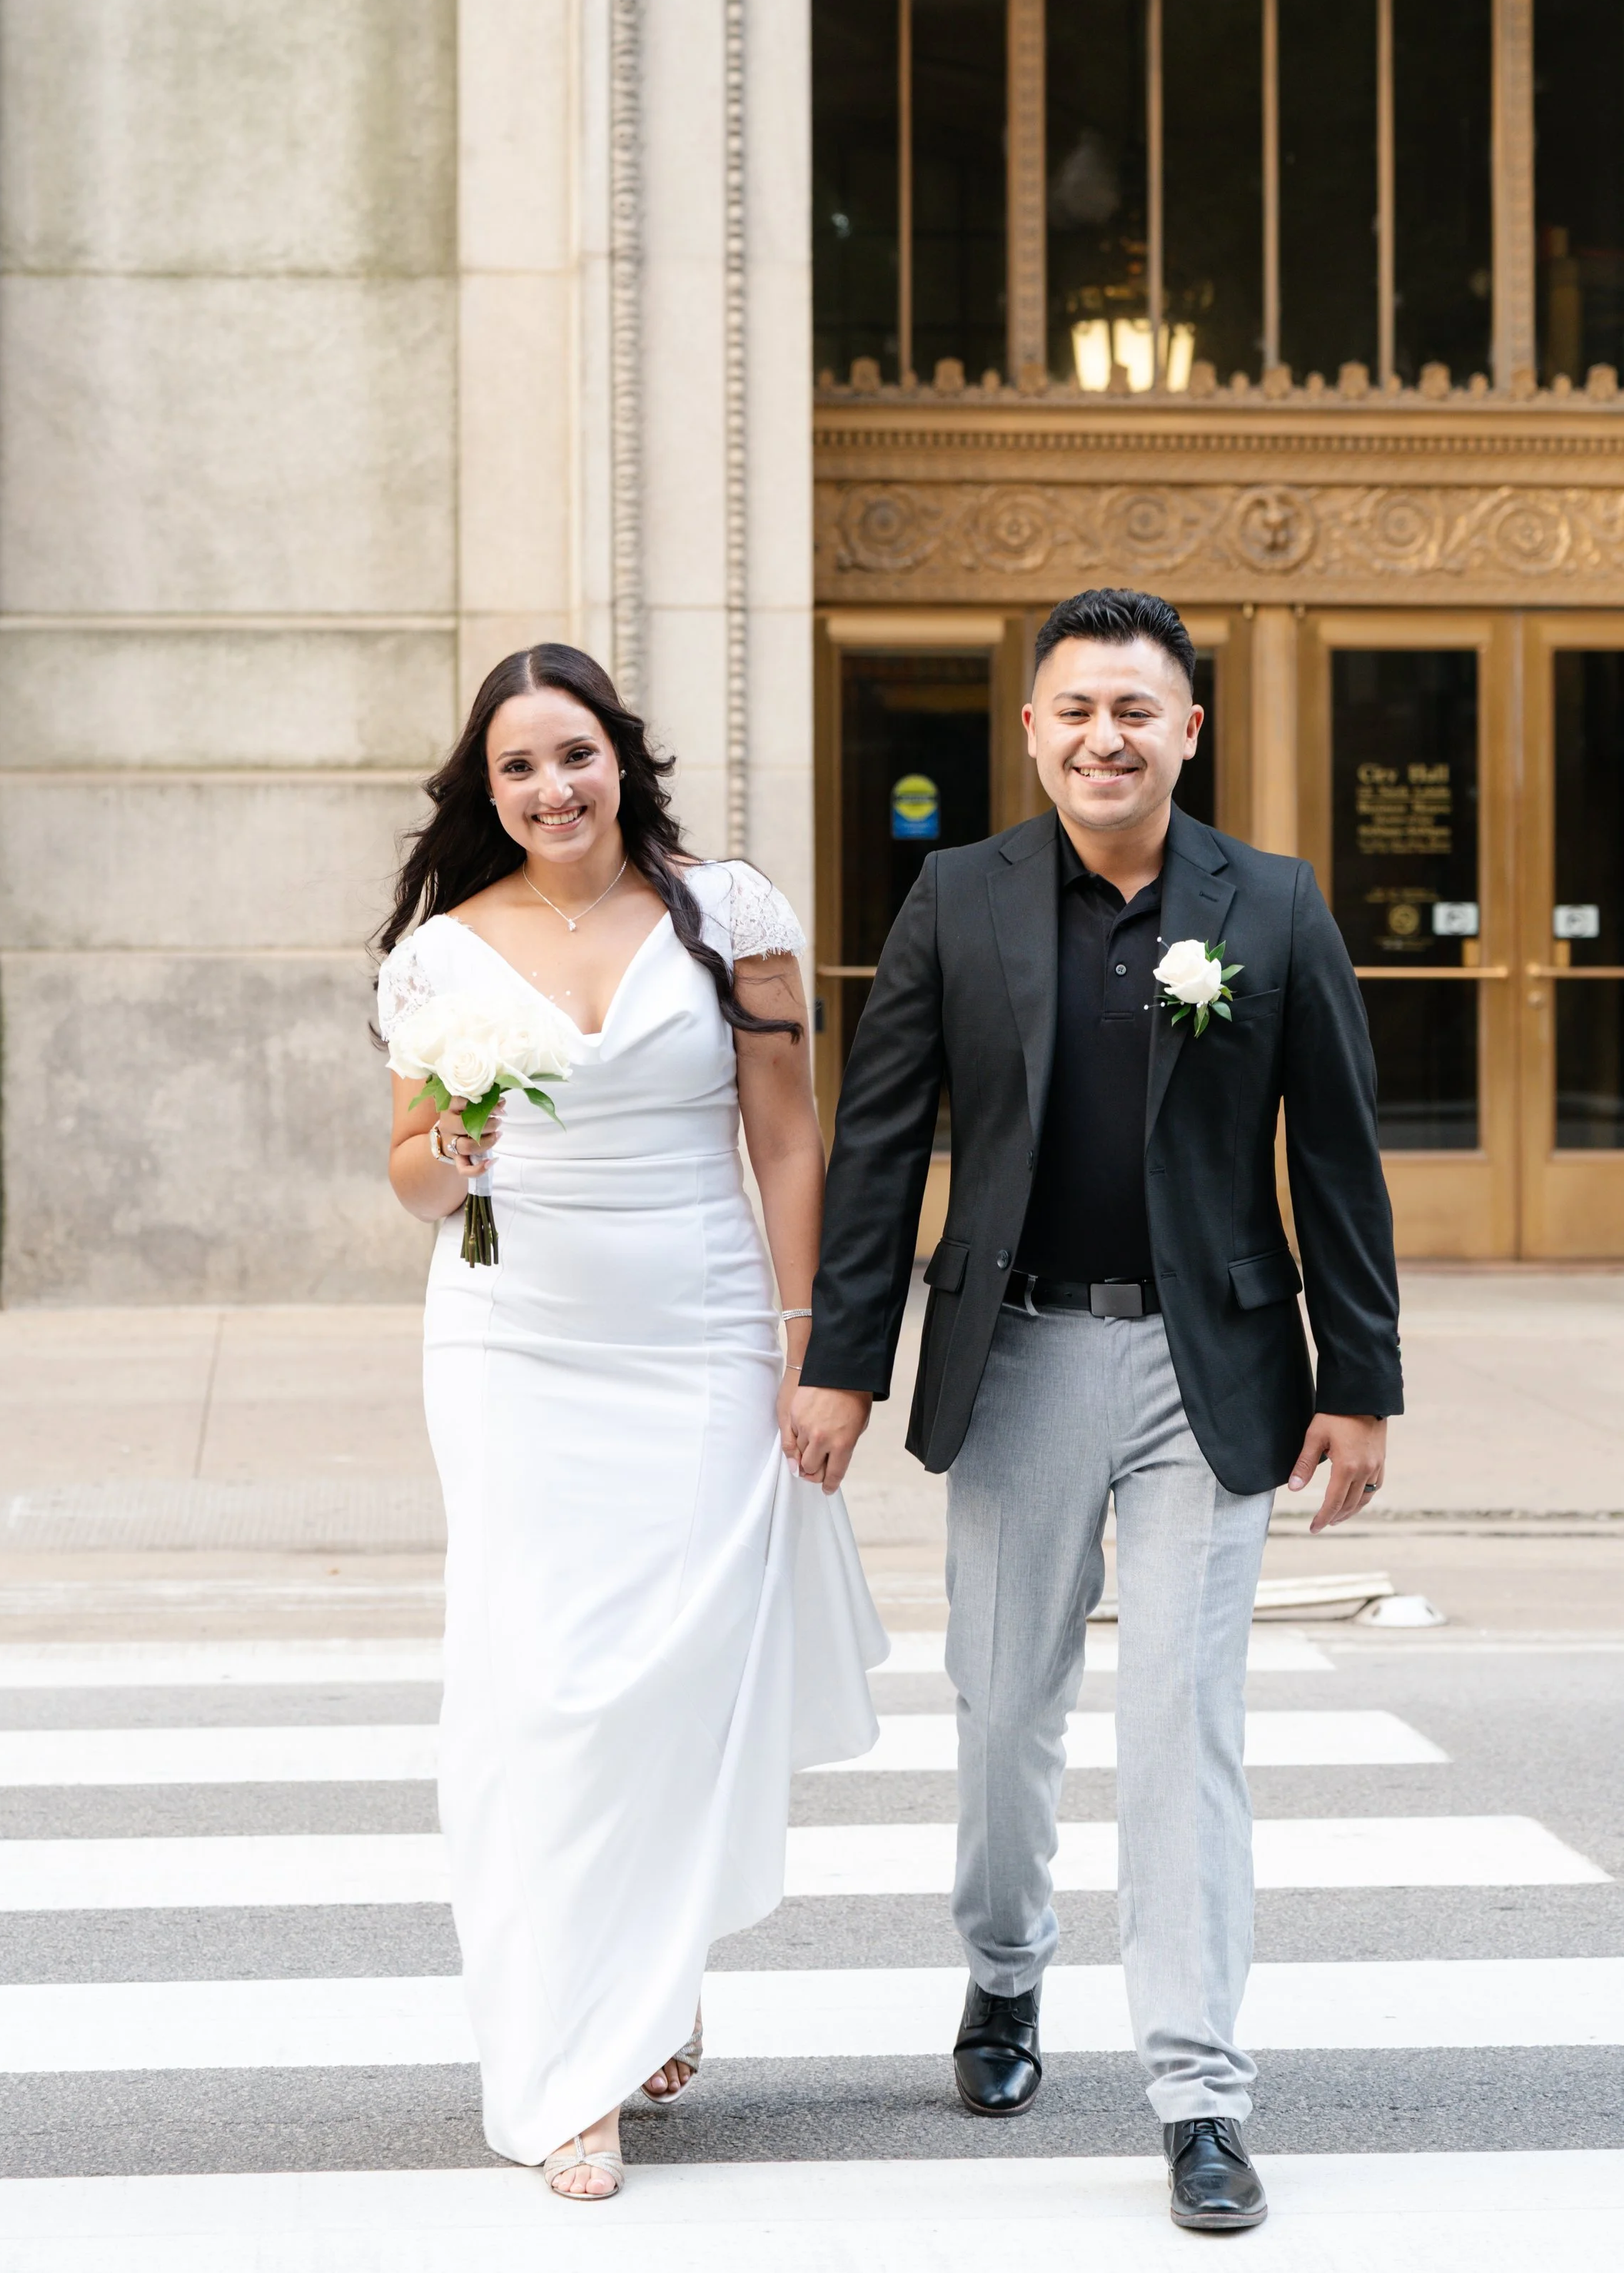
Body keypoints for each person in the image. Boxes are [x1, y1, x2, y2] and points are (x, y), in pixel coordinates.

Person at [790, 587, 1403, 2234]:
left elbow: (1334, 1156)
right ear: (1032, 730)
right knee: (1002, 1708)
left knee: (1179, 1730)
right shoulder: (953, 897)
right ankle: (1003, 1975)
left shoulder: (1265, 907)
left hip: (1210, 1373)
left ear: (1185, 729)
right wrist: (839, 1359)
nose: (1101, 737)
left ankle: (1197, 2089)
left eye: (1134, 710)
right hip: (1019, 1360)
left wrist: (1359, 1382)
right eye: (1072, 709)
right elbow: (874, 1147)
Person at [375, 643, 882, 2202]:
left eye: (575, 755)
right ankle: (564, 2064)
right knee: (540, 1694)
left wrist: (813, 1348)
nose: (551, 789)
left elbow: (790, 1141)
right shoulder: (441, 955)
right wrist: (449, 1145)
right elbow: (407, 1177)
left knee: (676, 1680)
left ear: (622, 760)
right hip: (512, 1347)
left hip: (703, 1339)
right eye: (518, 766)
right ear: (486, 788)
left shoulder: (730, 918)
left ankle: (652, 1977)